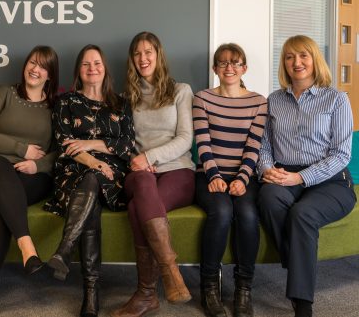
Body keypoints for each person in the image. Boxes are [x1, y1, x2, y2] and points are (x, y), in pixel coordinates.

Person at [257, 35, 356, 317]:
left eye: (303, 56)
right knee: (268, 196)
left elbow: (341, 154)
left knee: (303, 214)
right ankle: (296, 259)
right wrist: (267, 169)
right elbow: (264, 145)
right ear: (284, 63)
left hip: (331, 180)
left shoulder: (336, 99)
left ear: (314, 60)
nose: (296, 62)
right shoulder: (274, 100)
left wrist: (300, 179)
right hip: (285, 173)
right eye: (289, 57)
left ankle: (302, 304)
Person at [44, 44, 135, 317]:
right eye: (86, 64)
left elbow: (127, 144)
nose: (92, 68)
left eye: (97, 63)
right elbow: (64, 144)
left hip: (113, 177)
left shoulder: (121, 103)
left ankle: (65, 248)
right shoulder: (66, 102)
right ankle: (91, 293)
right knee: (91, 184)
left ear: (104, 68)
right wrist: (94, 160)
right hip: (73, 173)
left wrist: (89, 143)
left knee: (94, 181)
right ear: (79, 71)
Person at [0, 46, 59, 317]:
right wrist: (22, 149)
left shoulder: (56, 106)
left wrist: (37, 163)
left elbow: (60, 150)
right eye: (32, 62)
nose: (35, 69)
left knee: (1, 202)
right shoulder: (4, 93)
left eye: (43, 66)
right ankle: (26, 243)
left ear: (50, 75)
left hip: (31, 177)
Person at [111, 32, 195, 317]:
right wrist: (140, 161)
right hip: (139, 172)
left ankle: (146, 294)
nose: (143, 58)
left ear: (159, 56)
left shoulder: (181, 90)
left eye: (149, 52)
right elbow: (122, 143)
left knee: (137, 207)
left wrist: (151, 156)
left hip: (177, 170)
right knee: (143, 184)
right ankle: (170, 272)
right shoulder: (126, 99)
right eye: (137, 53)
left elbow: (185, 138)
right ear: (132, 60)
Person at [193, 43, 267, 317]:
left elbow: (254, 146)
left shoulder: (259, 102)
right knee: (222, 212)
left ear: (244, 68)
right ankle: (209, 287)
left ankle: (243, 289)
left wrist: (243, 178)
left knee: (247, 216)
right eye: (223, 63)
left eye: (235, 63)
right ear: (215, 69)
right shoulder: (202, 99)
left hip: (243, 177)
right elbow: (203, 142)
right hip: (208, 175)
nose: (229, 68)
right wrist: (213, 175)